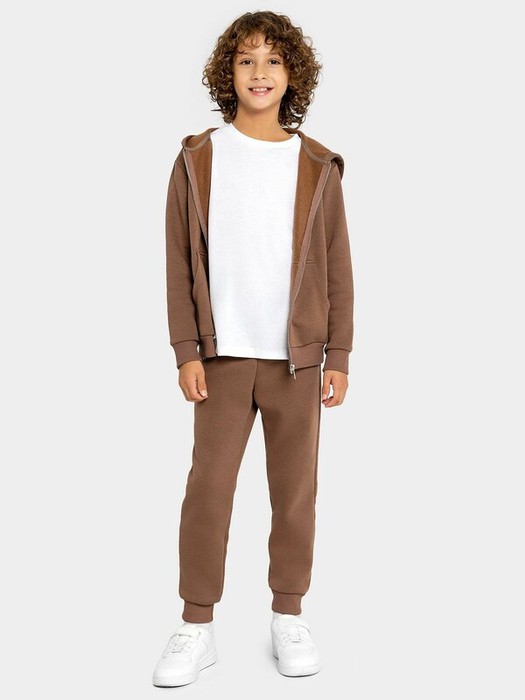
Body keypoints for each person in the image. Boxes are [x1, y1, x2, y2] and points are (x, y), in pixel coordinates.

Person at [152, 10, 354, 687]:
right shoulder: (197, 159)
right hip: (222, 358)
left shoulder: (317, 165)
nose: (259, 72)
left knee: (294, 493)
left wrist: (339, 355)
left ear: (292, 74)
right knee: (207, 489)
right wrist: (186, 348)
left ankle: (287, 614)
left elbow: (337, 266)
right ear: (227, 73)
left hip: (298, 361)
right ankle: (195, 624)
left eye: (272, 60)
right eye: (245, 60)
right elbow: (178, 262)